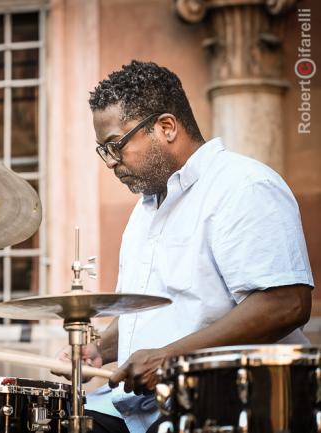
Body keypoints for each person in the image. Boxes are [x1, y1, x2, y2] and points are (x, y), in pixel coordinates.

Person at [54, 60, 314, 433]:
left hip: (221, 404)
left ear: (166, 127)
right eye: (103, 151)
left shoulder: (243, 186)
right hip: (141, 408)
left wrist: (170, 357)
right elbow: (152, 314)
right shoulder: (146, 209)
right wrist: (99, 348)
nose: (110, 163)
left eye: (116, 145)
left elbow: (286, 304)